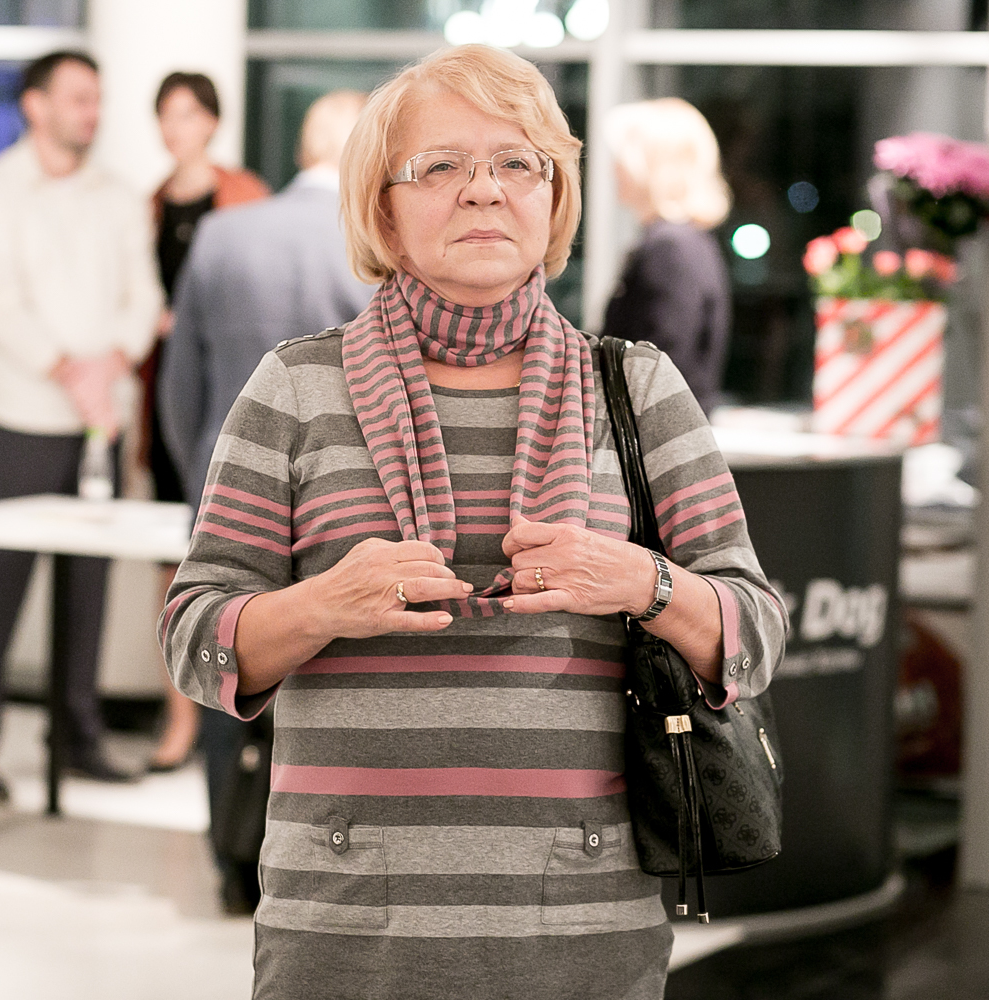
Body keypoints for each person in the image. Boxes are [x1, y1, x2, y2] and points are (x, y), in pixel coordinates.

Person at [160, 45, 787, 999]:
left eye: (516, 162)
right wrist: (325, 604)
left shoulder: (637, 386)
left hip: (584, 929)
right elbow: (192, 638)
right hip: (343, 930)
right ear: (383, 208)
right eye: (440, 165)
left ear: (554, 197)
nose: (484, 189)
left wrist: (641, 581)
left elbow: (756, 631)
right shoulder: (294, 387)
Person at [158, 88, 372, 913]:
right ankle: (320, 861)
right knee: (334, 680)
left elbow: (180, 385)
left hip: (225, 488)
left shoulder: (223, 233)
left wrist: (202, 475)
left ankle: (230, 859)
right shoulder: (371, 241)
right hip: (345, 509)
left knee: (230, 666)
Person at [0, 51, 161, 788]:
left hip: (101, 423)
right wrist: (74, 372)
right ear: (35, 105)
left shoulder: (120, 196)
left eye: (97, 99)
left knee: (87, 593)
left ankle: (75, 740)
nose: (91, 113)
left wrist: (112, 364)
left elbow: (144, 298)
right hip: (21, 419)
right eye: (77, 99)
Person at [143, 71, 268, 774]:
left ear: (213, 122)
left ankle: (231, 723)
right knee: (172, 566)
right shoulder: (150, 204)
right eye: (166, 115)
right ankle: (181, 717)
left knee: (230, 559)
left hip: (226, 398)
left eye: (188, 113)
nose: (176, 128)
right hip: (169, 392)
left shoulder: (244, 198)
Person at [601, 97, 732, 414]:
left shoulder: (671, 248)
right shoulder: (684, 242)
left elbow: (660, 365)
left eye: (622, 157)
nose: (614, 168)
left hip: (655, 434)